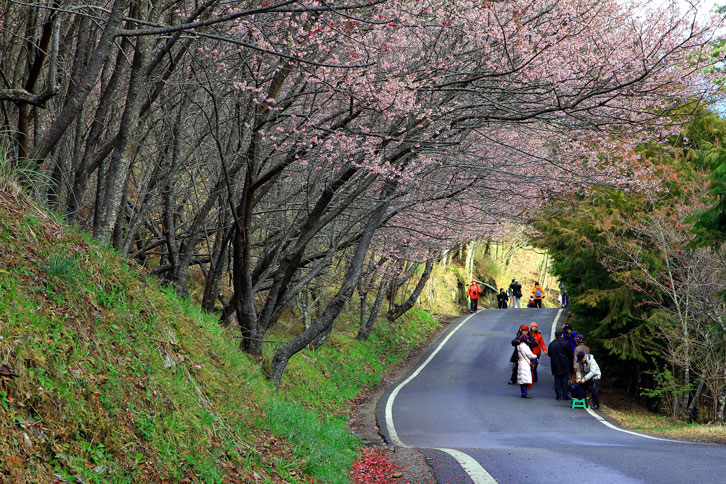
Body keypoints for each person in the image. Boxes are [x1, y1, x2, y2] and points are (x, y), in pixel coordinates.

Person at [547, 330, 573, 400]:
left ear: (555, 335)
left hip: (555, 363)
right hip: (565, 363)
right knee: (565, 380)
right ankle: (565, 395)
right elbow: (570, 353)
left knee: (557, 380)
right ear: (562, 335)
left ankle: (558, 395)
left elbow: (549, 354)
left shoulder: (552, 344)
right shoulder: (566, 343)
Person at [516, 334, 538, 398]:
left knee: (522, 378)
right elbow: (530, 355)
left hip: (521, 362)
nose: (528, 340)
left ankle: (523, 392)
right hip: (525, 363)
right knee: (525, 378)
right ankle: (525, 393)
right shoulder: (525, 346)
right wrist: (535, 356)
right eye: (527, 339)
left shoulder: (519, 346)